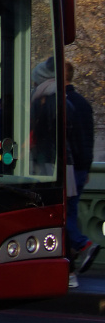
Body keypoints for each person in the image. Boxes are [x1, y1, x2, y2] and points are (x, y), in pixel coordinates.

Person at [65, 61, 100, 274]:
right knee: (71, 210)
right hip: (80, 168)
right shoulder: (84, 104)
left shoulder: (62, 103)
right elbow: (89, 138)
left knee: (64, 213)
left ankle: (82, 244)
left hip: (68, 168)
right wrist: (86, 168)